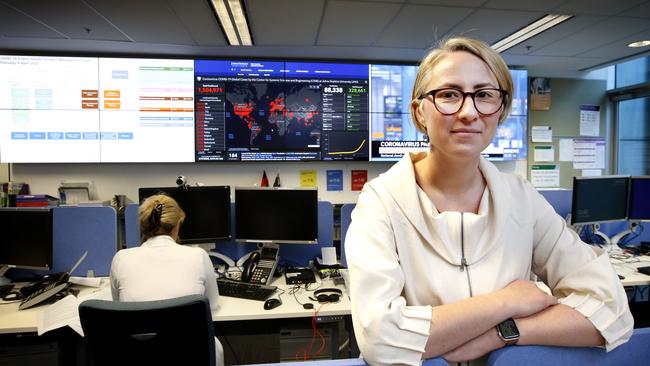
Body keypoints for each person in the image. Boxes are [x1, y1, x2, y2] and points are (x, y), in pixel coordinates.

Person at [345, 37, 633, 366]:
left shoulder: (522, 200)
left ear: (501, 111)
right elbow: (381, 339)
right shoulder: (380, 203)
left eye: (483, 95)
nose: (469, 112)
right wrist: (507, 302)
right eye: (449, 94)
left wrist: (500, 333)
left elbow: (612, 311)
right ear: (419, 111)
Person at [110, 194, 223, 365]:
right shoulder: (198, 256)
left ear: (142, 226)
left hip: (137, 355)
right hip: (188, 354)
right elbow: (212, 306)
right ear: (177, 225)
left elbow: (119, 307)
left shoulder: (121, 259)